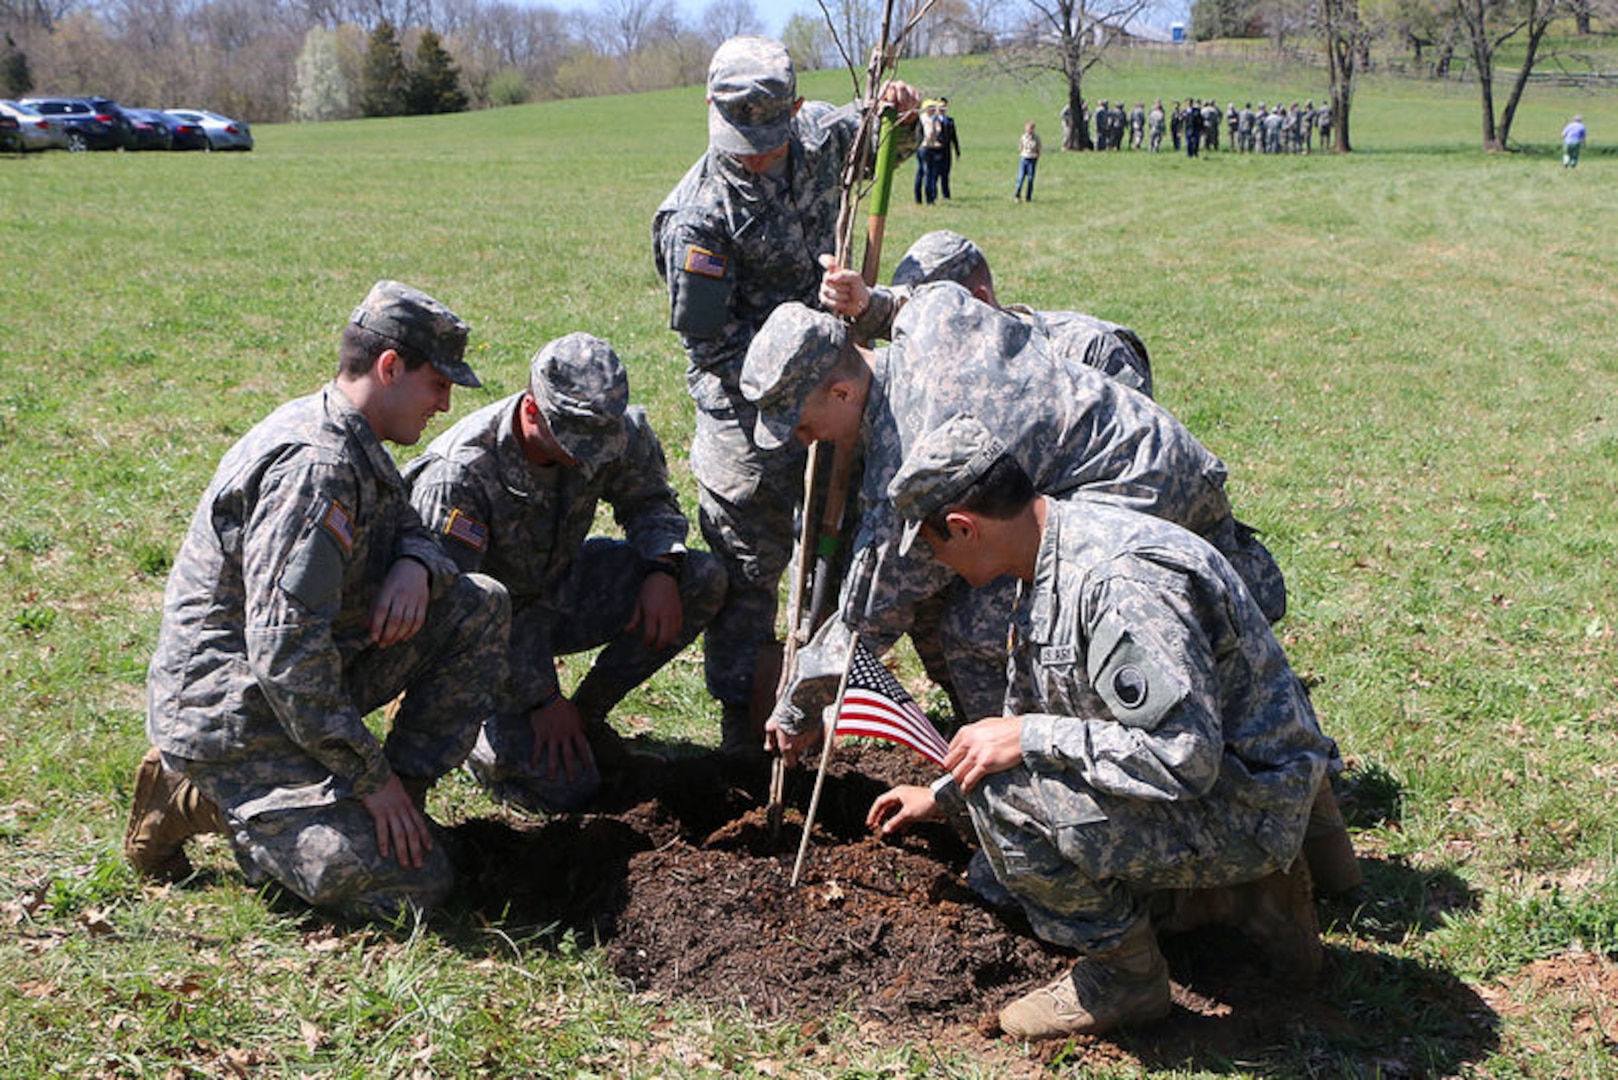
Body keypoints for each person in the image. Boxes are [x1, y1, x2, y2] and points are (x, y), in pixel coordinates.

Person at [866, 416, 1337, 1038]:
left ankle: (1126, 979)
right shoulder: (1053, 551)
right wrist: (942, 796)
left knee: (1006, 801)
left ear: (963, 527)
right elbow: (1066, 712)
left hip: (1245, 803)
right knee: (994, 793)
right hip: (1228, 782)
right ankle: (1218, 901)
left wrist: (1028, 736)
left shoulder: (1115, 582)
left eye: (933, 547)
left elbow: (1181, 757)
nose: (936, 563)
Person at [740, 288, 1290, 751]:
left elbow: (875, 608)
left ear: (841, 390)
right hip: (1157, 450)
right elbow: (917, 300)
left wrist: (797, 707)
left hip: (1133, 498)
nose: (801, 439)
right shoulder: (930, 319)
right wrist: (874, 306)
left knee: (982, 630)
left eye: (802, 422)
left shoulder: (918, 448)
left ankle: (1033, 770)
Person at [125, 280, 510, 923]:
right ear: (390, 367)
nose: (445, 405)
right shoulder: (317, 465)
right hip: (233, 712)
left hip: (298, 681)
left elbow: (407, 524)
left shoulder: (355, 438)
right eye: (437, 384)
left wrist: (415, 563)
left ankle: (395, 808)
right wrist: (369, 778)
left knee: (478, 604)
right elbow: (284, 656)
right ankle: (195, 796)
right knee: (413, 889)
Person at [651, 35, 917, 755]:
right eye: (741, 142)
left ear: (795, 111)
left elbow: (885, 142)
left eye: (769, 141)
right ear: (709, 109)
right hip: (744, 410)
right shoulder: (696, 220)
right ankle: (743, 726)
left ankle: (815, 697)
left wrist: (901, 116)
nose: (756, 157)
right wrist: (792, 385)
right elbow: (710, 350)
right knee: (747, 569)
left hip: (831, 392)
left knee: (836, 547)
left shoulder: (825, 136)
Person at [404, 333, 728, 811]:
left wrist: (662, 569)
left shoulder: (611, 428)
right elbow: (454, 615)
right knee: (570, 790)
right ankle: (484, 738)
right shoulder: (459, 475)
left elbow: (650, 502)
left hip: (562, 587)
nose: (591, 454)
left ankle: (587, 715)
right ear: (532, 411)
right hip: (491, 629)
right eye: (576, 439)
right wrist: (538, 699)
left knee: (701, 577)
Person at [846, 229, 1153, 399]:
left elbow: (1137, 467)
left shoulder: (1089, 351)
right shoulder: (934, 370)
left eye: (932, 318)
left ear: (979, 300)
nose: (924, 335)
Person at [914, 98, 943, 204]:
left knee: (920, 172)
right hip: (926, 148)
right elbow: (929, 134)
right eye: (932, 107)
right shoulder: (927, 120)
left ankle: (918, 198)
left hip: (921, 148)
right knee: (928, 173)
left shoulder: (926, 119)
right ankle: (929, 199)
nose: (934, 109)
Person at [934, 96, 962, 198]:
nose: (942, 109)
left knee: (945, 173)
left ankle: (946, 194)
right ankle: (933, 194)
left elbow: (954, 136)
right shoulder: (932, 120)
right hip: (935, 150)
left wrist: (957, 150)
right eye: (940, 106)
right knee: (935, 173)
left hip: (946, 150)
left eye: (944, 107)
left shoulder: (950, 121)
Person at [1013, 120, 1040, 202]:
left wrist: (1036, 156)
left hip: (1032, 159)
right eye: (1028, 128)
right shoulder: (1023, 137)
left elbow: (1038, 148)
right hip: (1024, 158)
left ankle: (1028, 197)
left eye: (1032, 128)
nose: (1030, 130)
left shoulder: (1037, 138)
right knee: (1021, 178)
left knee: (1031, 179)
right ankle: (1017, 195)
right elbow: (1020, 147)